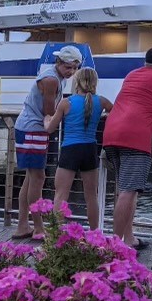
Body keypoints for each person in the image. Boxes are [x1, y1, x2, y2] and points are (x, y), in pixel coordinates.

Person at [102, 46, 152, 250]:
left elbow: (139, 100)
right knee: (128, 191)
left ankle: (129, 239)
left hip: (111, 133)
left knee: (129, 190)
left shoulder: (131, 75)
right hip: (135, 138)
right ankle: (116, 246)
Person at [12, 45, 83, 240]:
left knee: (30, 177)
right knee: (38, 178)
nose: (71, 72)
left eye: (75, 68)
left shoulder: (52, 76)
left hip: (27, 128)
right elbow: (49, 112)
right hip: (33, 129)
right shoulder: (51, 80)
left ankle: (22, 226)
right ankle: (38, 227)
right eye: (68, 67)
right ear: (58, 63)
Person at [44, 67, 113, 230]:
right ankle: (95, 233)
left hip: (70, 150)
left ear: (76, 82)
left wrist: (47, 119)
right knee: (91, 197)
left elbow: (50, 129)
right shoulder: (101, 101)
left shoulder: (66, 103)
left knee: (61, 194)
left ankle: (55, 236)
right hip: (90, 149)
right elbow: (117, 113)